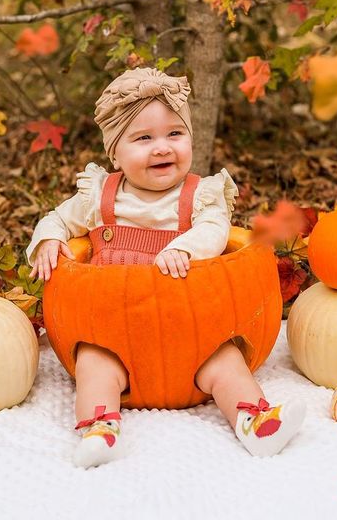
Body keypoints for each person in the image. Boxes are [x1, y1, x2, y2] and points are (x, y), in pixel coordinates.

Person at [27, 67, 305, 468]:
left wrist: (186, 249)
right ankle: (99, 429)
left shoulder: (199, 196)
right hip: (112, 331)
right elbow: (57, 218)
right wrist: (49, 239)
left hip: (190, 337)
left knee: (226, 362)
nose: (162, 148)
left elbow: (215, 230)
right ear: (115, 152)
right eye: (143, 138)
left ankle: (255, 421)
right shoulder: (99, 197)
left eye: (175, 133)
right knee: (93, 365)